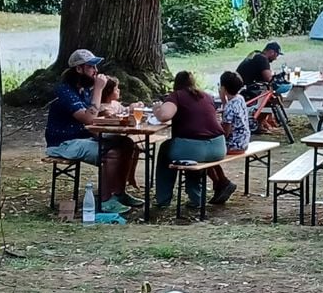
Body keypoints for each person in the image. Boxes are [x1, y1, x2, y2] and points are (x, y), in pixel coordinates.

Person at [45, 49, 140, 214]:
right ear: (79, 69)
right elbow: (89, 118)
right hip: (64, 142)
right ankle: (105, 201)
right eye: (91, 67)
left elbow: (96, 114)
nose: (96, 71)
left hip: (84, 138)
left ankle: (119, 193)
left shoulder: (85, 90)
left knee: (127, 144)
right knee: (111, 152)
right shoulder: (65, 91)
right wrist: (98, 90)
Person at [152, 71, 228, 209]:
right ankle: (195, 197)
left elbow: (164, 115)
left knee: (166, 150)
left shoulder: (177, 96)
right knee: (188, 157)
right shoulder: (206, 96)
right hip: (218, 146)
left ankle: (163, 198)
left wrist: (157, 109)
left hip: (194, 148)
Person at [205, 70, 248, 206]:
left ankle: (221, 182)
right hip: (243, 140)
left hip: (234, 144)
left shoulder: (230, 106)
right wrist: (224, 101)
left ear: (223, 87)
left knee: (204, 153)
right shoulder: (239, 99)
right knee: (207, 150)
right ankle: (220, 183)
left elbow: (225, 132)